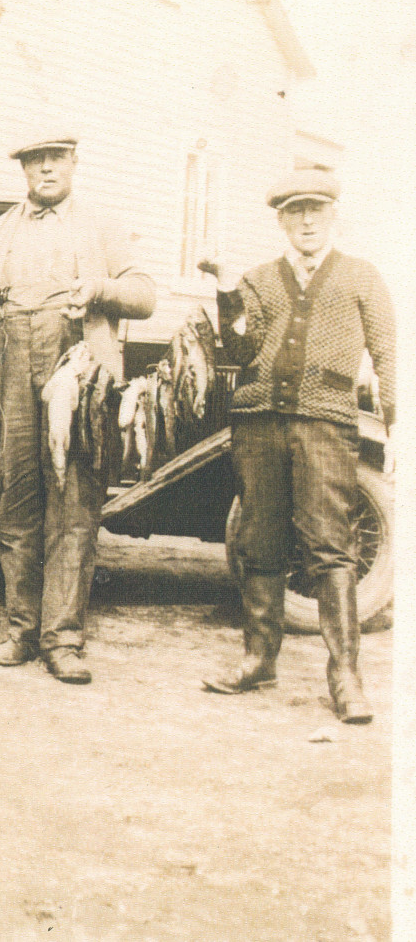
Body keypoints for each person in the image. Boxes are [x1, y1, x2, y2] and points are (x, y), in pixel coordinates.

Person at [0, 133, 155, 683]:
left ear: (74, 162)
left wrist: (98, 289)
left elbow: (144, 295)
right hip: (9, 364)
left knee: (73, 505)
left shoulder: (101, 225)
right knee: (17, 501)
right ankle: (22, 633)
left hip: (77, 367)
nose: (46, 168)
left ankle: (63, 640)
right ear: (23, 168)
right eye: (35, 160)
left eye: (56, 159)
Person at [199, 167, 395, 722]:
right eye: (295, 212)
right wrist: (226, 287)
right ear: (282, 220)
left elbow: (387, 353)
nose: (307, 221)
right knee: (259, 539)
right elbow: (240, 347)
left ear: (333, 216)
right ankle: (259, 658)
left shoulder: (362, 277)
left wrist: (398, 423)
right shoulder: (260, 279)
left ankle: (346, 676)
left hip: (326, 424)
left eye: (316, 210)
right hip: (259, 424)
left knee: (330, 546)